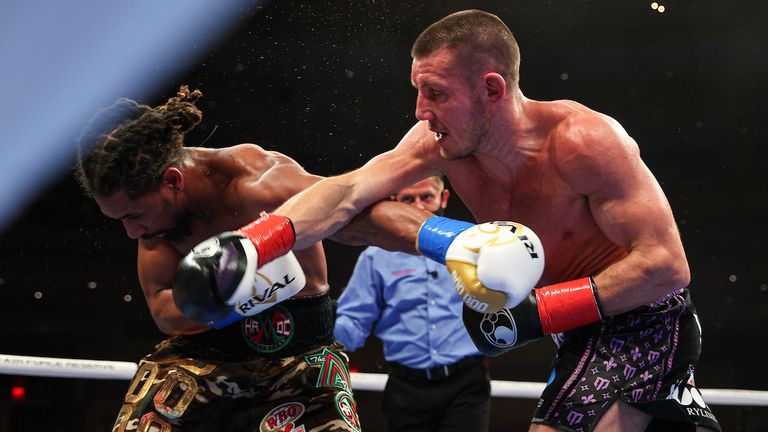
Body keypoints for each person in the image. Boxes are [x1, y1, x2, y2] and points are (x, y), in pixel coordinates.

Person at [205, 9, 721, 432]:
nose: (420, 111)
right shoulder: (438, 146)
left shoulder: (583, 142)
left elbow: (667, 266)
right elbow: (347, 191)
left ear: (491, 90)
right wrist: (251, 245)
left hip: (645, 324)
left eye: (436, 93)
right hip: (577, 332)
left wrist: (539, 312)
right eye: (418, 91)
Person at [75, 86, 375, 431]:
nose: (131, 231)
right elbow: (163, 309)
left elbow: (352, 209)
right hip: (200, 359)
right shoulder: (155, 222)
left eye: (134, 215)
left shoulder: (259, 183)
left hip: (300, 355)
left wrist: (440, 238)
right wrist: (233, 297)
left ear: (171, 181)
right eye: (121, 219)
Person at [334, 176, 490, 432]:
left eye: (426, 197)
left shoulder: (473, 246)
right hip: (406, 388)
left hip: (466, 383)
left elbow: (505, 303)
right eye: (408, 199)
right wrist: (320, 346)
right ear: (394, 203)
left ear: (443, 198)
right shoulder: (375, 257)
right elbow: (353, 319)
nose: (418, 206)